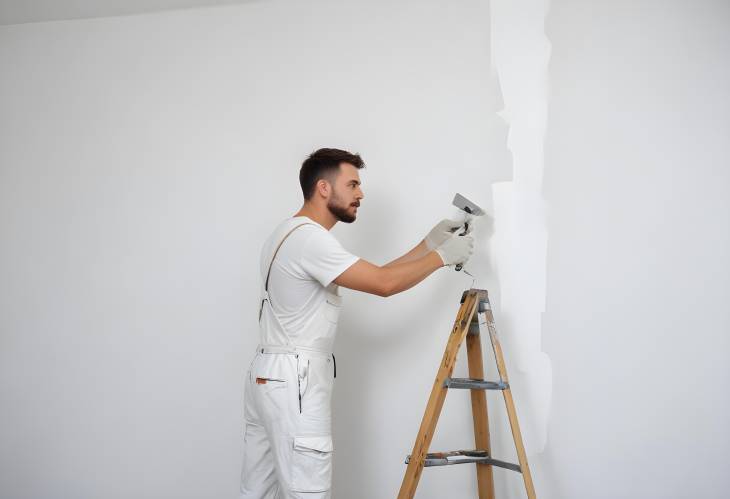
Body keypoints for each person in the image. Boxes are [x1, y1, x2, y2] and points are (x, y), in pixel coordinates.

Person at [240, 148, 475, 498]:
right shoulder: (311, 240)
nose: (360, 194)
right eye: (352, 184)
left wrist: (430, 243)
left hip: (268, 376)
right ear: (323, 188)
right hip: (295, 380)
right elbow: (384, 284)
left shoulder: (287, 233)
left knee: (257, 491)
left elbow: (379, 273)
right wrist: (442, 258)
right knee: (307, 491)